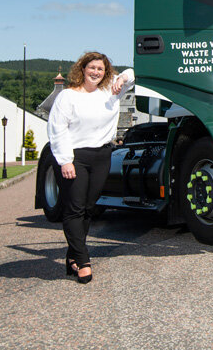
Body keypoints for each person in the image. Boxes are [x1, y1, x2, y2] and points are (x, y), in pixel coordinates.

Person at [48, 52, 134, 283]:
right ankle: (83, 261)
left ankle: (72, 255)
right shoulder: (68, 96)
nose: (96, 72)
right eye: (92, 67)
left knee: (88, 207)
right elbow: (58, 129)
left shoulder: (110, 92)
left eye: (101, 69)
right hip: (76, 156)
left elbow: (135, 74)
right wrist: (65, 160)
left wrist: (122, 79)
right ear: (82, 69)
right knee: (74, 207)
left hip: (102, 155)